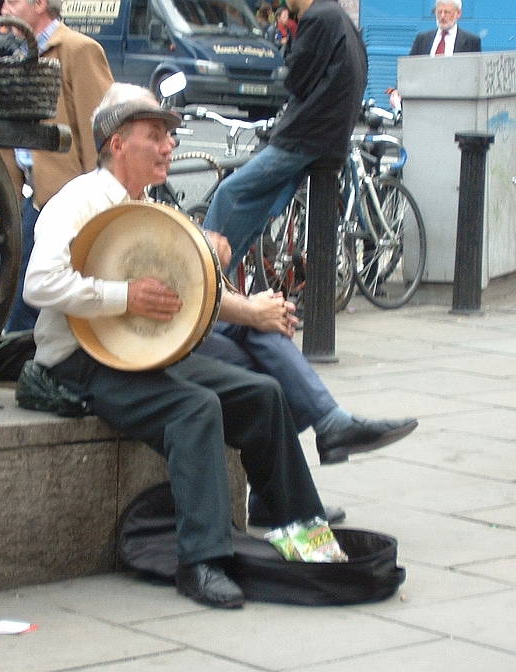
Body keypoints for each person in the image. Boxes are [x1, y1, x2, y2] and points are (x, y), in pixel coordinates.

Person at [22, 82, 340, 609]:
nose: (169, 146)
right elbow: (39, 283)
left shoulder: (148, 205)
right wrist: (123, 296)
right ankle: (202, 561)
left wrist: (224, 291)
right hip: (81, 362)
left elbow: (184, 295)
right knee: (195, 408)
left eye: (170, 135)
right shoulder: (78, 201)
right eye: (156, 135)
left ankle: (301, 531)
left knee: (262, 394)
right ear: (117, 143)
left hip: (142, 354)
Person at [201, 0, 367, 278]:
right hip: (329, 141)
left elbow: (295, 79)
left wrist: (292, 34)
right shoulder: (341, 18)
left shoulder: (317, 18)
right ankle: (225, 287)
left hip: (305, 138)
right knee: (259, 210)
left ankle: (204, 278)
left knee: (229, 193)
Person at [0, 0, 114, 333]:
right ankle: (20, 355)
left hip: (66, 193)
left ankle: (19, 359)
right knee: (25, 281)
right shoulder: (19, 53)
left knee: (33, 287)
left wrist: (99, 199)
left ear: (39, 4)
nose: (4, 5)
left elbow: (102, 132)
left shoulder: (79, 49)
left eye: (13, 0)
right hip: (30, 191)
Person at [409, 0, 481, 56]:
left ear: (458, 13)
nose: (442, 16)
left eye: (447, 12)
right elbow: (411, 66)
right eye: (439, 12)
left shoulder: (471, 41)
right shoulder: (422, 39)